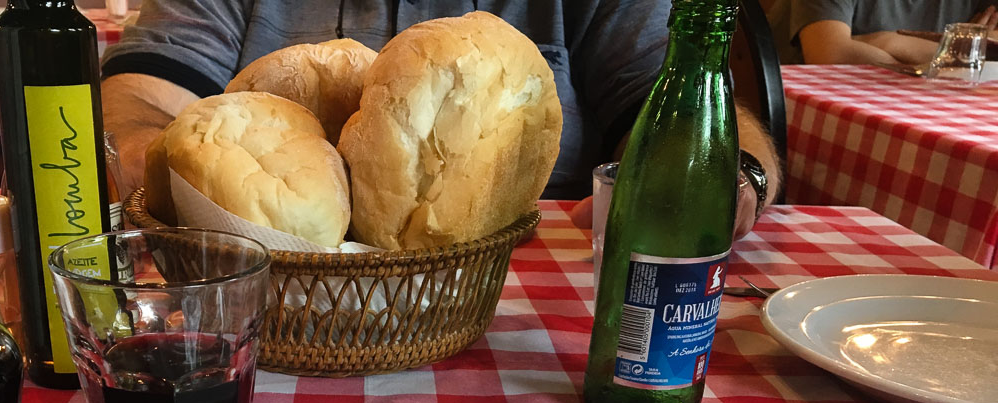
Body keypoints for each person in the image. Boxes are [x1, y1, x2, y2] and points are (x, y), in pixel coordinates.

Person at [101, 0, 783, 238]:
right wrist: (142, 159)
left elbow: (675, 99)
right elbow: (145, 89)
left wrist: (732, 176)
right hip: (268, 311)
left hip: (520, 316)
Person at [771, 1, 998, 66]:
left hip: (918, 121)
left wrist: (888, 42)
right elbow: (830, 54)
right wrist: (964, 50)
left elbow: (993, 57)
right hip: (802, 125)